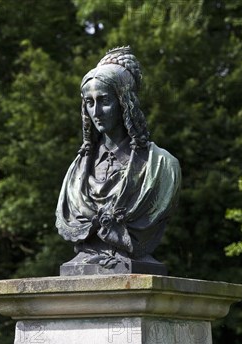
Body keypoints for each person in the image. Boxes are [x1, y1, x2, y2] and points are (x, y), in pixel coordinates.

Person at [56, 46, 181, 275]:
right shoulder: (76, 171)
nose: (96, 111)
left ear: (124, 102)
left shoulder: (162, 166)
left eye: (104, 100)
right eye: (89, 103)